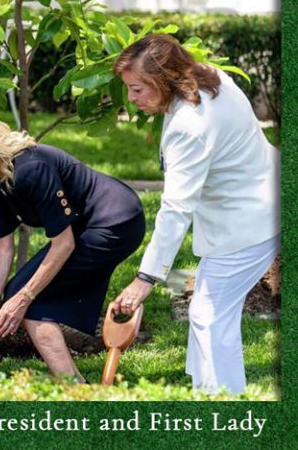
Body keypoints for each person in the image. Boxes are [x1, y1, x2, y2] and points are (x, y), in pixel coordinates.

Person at [111, 34, 280, 394]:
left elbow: (175, 209)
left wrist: (145, 279)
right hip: (261, 201)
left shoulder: (190, 127)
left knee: (208, 315)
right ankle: (207, 392)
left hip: (248, 222)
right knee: (209, 310)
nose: (131, 99)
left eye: (137, 89)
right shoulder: (208, 76)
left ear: (163, 79)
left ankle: (223, 407)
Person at [0, 108, 146, 381]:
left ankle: (74, 390)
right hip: (84, 224)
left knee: (32, 303)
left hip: (117, 221)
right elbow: (3, 246)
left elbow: (63, 245)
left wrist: (24, 298)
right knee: (20, 295)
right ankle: (77, 388)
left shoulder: (31, 169)